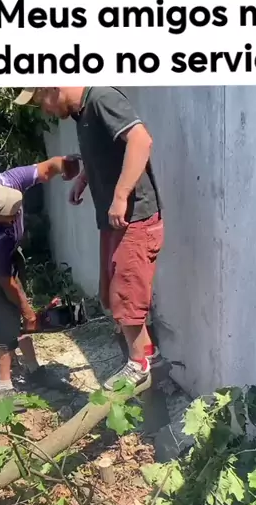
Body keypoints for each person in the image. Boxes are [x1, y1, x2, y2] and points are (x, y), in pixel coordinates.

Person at [13, 87, 164, 391]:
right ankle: (147, 353)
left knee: (126, 292)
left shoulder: (102, 99)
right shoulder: (83, 112)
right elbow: (107, 151)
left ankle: (139, 364)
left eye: (42, 101)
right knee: (112, 292)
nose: (45, 110)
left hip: (134, 217)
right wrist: (84, 179)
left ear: (53, 87)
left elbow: (140, 140)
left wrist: (121, 195)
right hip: (115, 221)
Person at [0, 156, 79, 401]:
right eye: (10, 212)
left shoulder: (6, 182)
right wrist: (28, 314)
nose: (17, 212)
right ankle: (4, 387)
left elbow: (47, 168)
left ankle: (34, 371)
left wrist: (67, 166)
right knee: (7, 317)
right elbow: (7, 282)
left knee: (22, 309)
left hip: (11, 253)